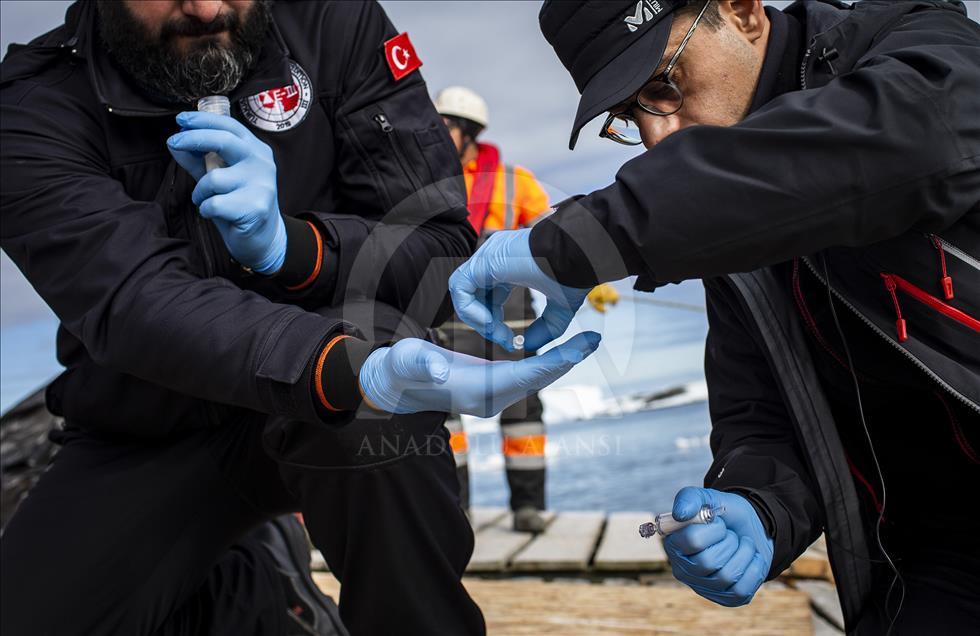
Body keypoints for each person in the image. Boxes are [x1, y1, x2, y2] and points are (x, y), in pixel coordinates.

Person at [0, 1, 599, 634]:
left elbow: (439, 246)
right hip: (146, 426)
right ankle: (260, 589)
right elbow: (134, 300)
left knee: (376, 423)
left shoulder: (335, 24)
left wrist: (297, 248)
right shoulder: (33, 104)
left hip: (338, 412)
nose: (205, 8)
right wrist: (339, 365)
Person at [449, 0, 980, 632]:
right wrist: (757, 505)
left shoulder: (923, 47)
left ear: (741, 12)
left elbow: (909, 141)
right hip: (934, 555)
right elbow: (761, 415)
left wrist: (576, 242)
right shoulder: (728, 242)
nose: (655, 140)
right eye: (628, 118)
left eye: (664, 85)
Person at [433, 86, 620, 532]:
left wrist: (586, 283)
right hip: (445, 310)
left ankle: (528, 509)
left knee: (522, 415)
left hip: (510, 312)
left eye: (444, 126)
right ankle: (453, 515)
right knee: (446, 417)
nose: (435, 135)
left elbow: (553, 237)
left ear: (467, 131)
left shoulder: (514, 182)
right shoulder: (425, 183)